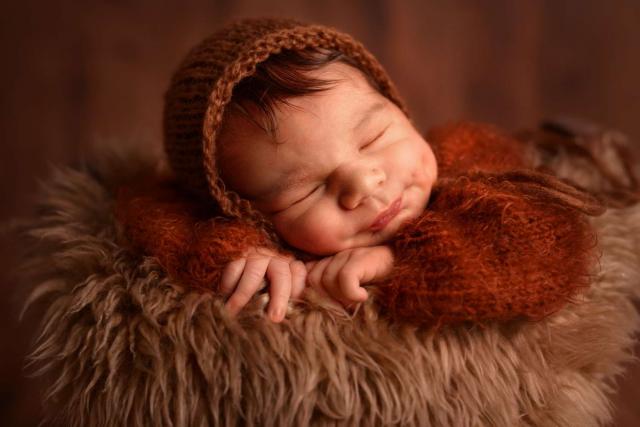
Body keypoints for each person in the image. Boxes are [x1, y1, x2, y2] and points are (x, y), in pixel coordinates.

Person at [115, 18, 606, 328]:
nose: (361, 184)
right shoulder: (249, 229)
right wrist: (247, 251)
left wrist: (398, 262)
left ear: (400, 111)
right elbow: (154, 210)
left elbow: (549, 253)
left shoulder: (468, 154)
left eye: (373, 137)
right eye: (302, 191)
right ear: (245, 210)